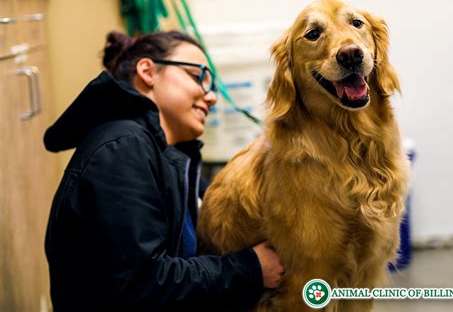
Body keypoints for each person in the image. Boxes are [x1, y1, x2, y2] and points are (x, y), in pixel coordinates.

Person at [43, 30, 284, 311]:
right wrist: (251, 268)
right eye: (198, 77)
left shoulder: (170, 158)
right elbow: (141, 284)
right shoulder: (123, 147)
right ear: (148, 71)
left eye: (212, 86)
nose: (212, 97)